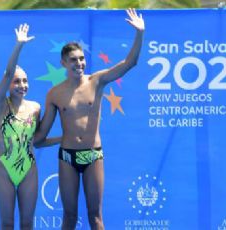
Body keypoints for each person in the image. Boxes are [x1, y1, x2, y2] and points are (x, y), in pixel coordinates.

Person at [34, 8, 145, 230]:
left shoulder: (97, 81)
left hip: (93, 155)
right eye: (73, 60)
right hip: (67, 158)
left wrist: (140, 33)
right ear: (63, 63)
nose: (79, 63)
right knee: (69, 216)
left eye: (82, 58)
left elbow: (129, 63)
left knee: (95, 216)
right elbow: (39, 137)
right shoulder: (54, 94)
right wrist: (15, 140)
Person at [0, 23, 60, 229]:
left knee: (28, 223)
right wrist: (19, 46)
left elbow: (37, 141)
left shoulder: (35, 108)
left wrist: (62, 139)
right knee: (6, 223)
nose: (22, 85)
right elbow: (7, 73)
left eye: (25, 81)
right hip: (4, 166)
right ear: (8, 85)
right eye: (16, 82)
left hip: (29, 169)